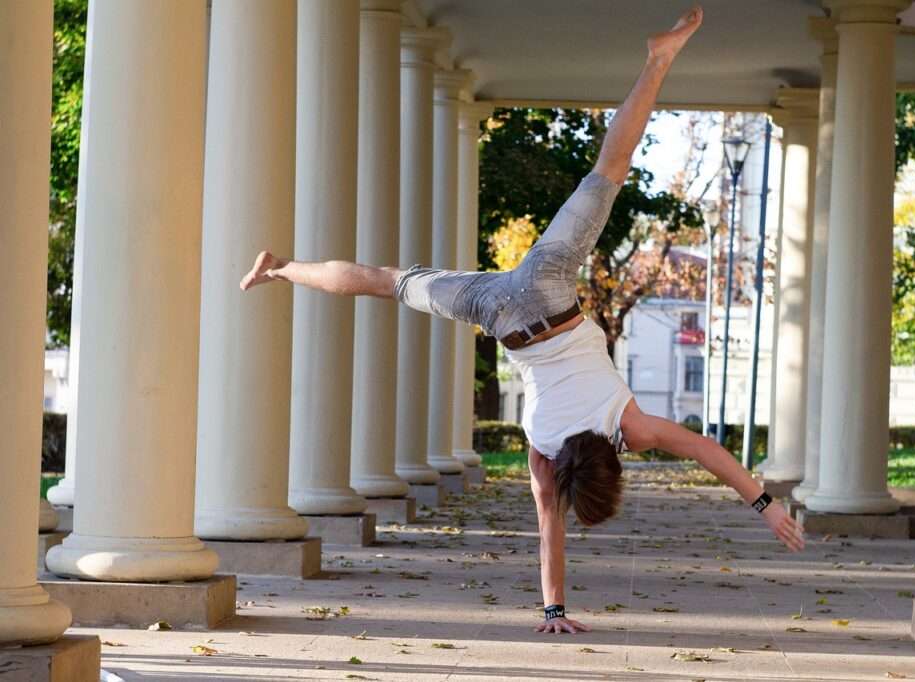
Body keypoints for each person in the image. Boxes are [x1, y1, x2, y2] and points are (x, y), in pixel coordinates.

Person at [240, 4, 804, 635]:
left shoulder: (631, 427)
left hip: (550, 285)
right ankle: (283, 268)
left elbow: (704, 449)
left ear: (614, 466)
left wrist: (764, 504)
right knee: (385, 282)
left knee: (608, 171)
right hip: (500, 312)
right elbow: (549, 534)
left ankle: (659, 58)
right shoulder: (541, 454)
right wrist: (552, 610)